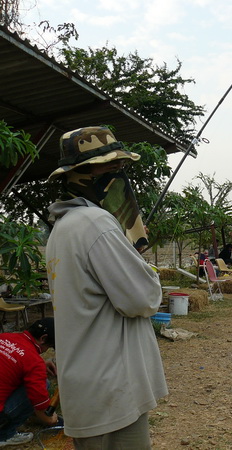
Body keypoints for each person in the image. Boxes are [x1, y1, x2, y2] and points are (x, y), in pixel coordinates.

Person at [45, 126, 168, 446]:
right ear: (83, 174)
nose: (119, 174)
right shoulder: (95, 224)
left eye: (120, 166)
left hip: (88, 388)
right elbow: (143, 298)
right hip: (114, 389)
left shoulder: (63, 227)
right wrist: (144, 264)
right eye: (111, 166)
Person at [0, 318, 60, 446]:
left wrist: (41, 365)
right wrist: (51, 419)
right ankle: (5, 435)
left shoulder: (4, 337)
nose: (46, 350)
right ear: (43, 339)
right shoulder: (33, 362)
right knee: (44, 384)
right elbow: (39, 403)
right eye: (49, 347)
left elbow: (14, 361)